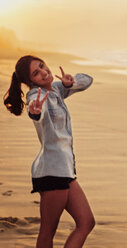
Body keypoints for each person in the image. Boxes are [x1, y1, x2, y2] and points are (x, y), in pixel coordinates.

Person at [3, 55, 95, 248]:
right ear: (30, 82)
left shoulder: (56, 90)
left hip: (66, 171)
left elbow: (88, 80)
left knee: (86, 222)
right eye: (36, 73)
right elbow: (37, 109)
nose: (44, 72)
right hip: (52, 172)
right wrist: (35, 111)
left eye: (42, 66)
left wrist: (72, 82)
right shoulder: (35, 96)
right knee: (47, 232)